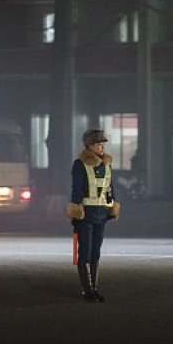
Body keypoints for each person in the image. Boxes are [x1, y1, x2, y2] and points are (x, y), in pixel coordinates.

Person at [67, 129, 120, 303]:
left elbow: (110, 188)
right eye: (99, 144)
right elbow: (76, 189)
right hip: (86, 215)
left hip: (102, 214)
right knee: (85, 253)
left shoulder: (107, 163)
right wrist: (76, 210)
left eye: (103, 144)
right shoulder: (79, 164)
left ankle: (94, 289)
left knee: (95, 252)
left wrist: (112, 207)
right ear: (89, 146)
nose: (102, 147)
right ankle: (87, 290)